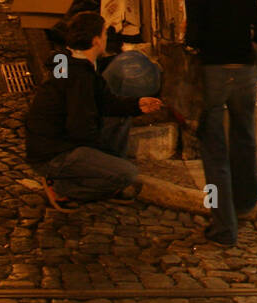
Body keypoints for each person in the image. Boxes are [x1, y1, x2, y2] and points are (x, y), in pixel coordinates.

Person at [24, 12, 160, 209]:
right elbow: (80, 126)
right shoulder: (78, 76)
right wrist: (103, 154)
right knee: (127, 174)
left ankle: (105, 171)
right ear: (96, 40)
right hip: (54, 152)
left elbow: (106, 102)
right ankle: (63, 187)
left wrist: (136, 105)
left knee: (122, 118)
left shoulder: (81, 64)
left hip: (62, 140)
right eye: (104, 34)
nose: (106, 39)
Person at [184, 0, 257, 246]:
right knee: (244, 139)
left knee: (214, 150)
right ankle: (245, 202)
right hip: (245, 71)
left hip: (213, 73)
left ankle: (223, 226)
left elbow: (193, 38)